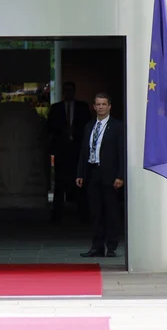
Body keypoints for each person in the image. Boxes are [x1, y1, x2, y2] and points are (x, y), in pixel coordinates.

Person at [75, 93, 124, 258]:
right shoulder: (89, 126)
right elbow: (84, 151)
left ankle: (111, 246)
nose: (101, 107)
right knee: (95, 212)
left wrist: (120, 176)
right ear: (94, 107)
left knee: (111, 212)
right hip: (92, 172)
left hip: (110, 175)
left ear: (109, 106)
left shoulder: (117, 126)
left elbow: (122, 152)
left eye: (104, 104)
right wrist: (80, 173)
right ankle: (97, 246)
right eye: (98, 104)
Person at [47, 82, 91, 224]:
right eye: (65, 90)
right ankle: (57, 215)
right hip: (62, 150)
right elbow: (49, 128)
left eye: (70, 90)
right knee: (59, 183)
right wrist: (62, 132)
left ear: (74, 91)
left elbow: (88, 126)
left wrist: (75, 132)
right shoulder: (56, 108)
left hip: (78, 150)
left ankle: (83, 214)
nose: (68, 93)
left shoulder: (82, 107)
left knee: (80, 181)